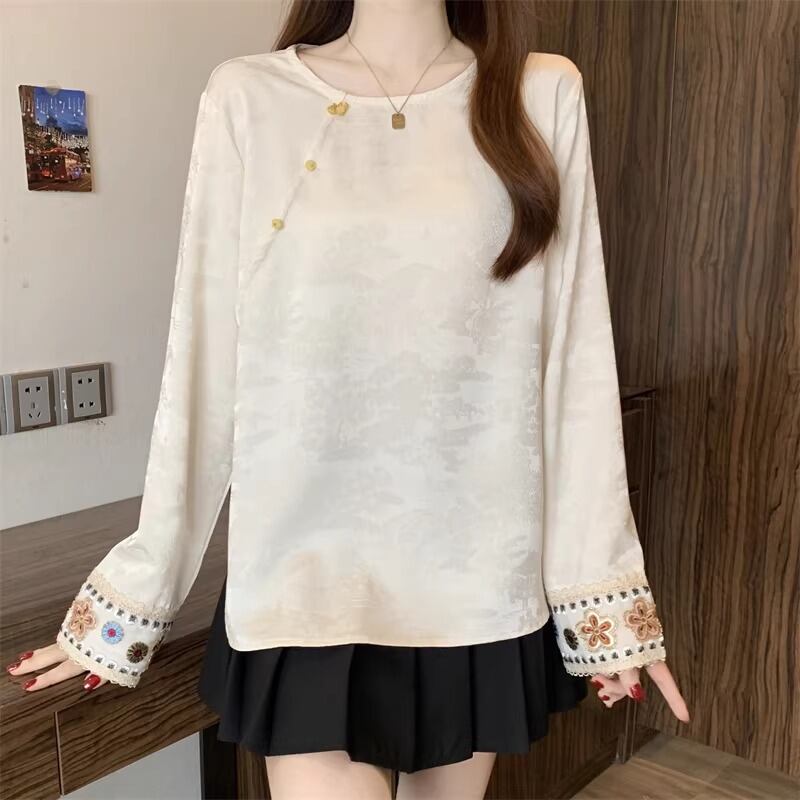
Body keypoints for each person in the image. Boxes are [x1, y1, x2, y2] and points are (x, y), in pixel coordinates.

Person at [7, 1, 689, 797]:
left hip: (473, 583)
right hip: (304, 584)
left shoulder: (539, 94)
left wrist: (603, 599)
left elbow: (573, 360)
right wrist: (133, 596)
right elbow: (204, 357)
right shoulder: (249, 97)